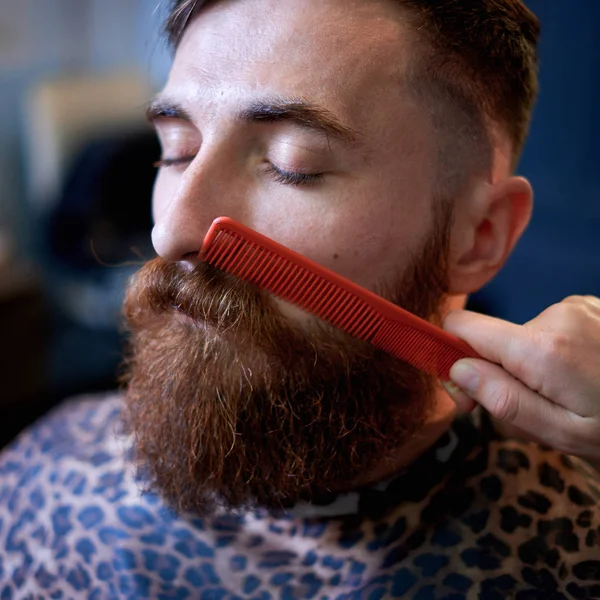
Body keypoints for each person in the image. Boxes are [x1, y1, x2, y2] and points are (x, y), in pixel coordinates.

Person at [1, 0, 599, 597]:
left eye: (293, 166)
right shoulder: (33, 482)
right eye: (177, 150)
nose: (172, 231)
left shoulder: (574, 553)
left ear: (481, 237)